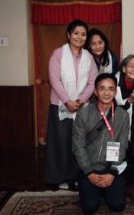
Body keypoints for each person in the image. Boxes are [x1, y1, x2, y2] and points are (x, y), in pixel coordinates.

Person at [44, 19, 97, 190]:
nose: (79, 37)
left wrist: (80, 101)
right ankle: (60, 178)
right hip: (60, 105)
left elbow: (92, 82)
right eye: (76, 33)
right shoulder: (58, 53)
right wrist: (67, 101)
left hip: (82, 107)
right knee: (61, 142)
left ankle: (76, 176)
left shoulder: (89, 57)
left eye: (83, 34)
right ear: (68, 34)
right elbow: (54, 79)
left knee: (80, 142)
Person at [72, 73, 129, 214]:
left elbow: (123, 145)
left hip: (110, 168)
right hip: (89, 169)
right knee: (89, 208)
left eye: (111, 89)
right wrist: (89, 173)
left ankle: (105, 189)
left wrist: (112, 173)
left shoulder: (123, 115)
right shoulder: (83, 114)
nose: (106, 92)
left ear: (115, 92)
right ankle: (95, 189)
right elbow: (78, 146)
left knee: (118, 205)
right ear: (95, 91)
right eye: (102, 88)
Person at [115, 54, 134, 137]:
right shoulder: (114, 83)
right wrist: (129, 100)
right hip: (114, 125)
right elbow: (114, 108)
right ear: (124, 69)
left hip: (133, 126)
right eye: (131, 66)